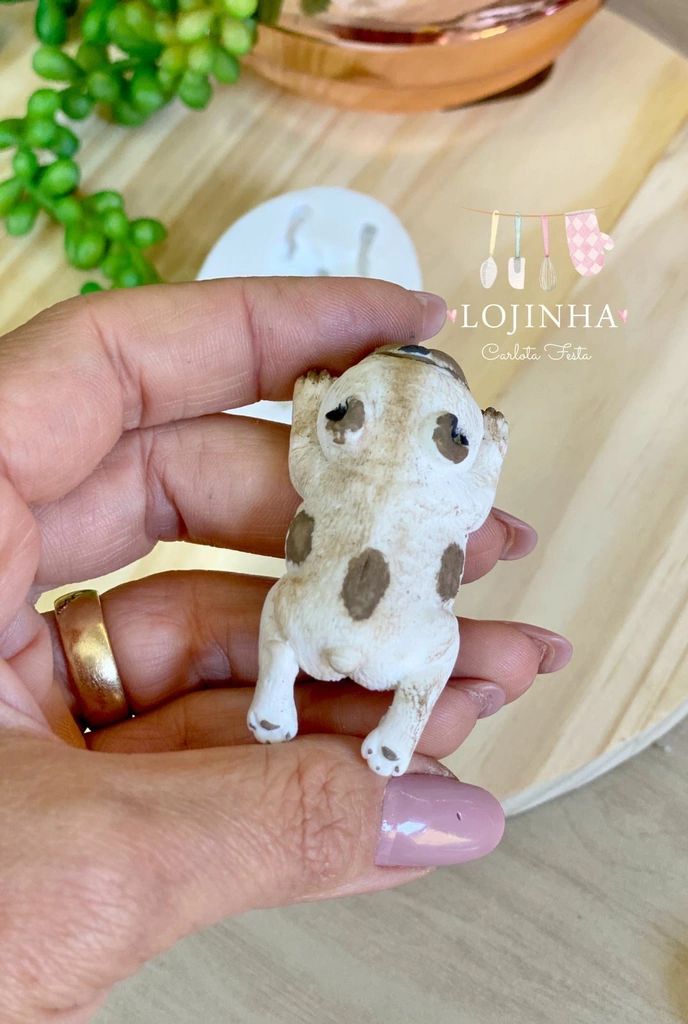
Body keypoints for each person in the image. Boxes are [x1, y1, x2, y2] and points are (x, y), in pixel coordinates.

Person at [0, 277, 571, 1022]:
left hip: (315, 620)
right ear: (454, 439)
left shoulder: (331, 457)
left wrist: (307, 412)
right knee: (439, 653)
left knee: (283, 612)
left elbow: (306, 467)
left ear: (347, 421)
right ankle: (400, 726)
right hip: (403, 639)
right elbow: (473, 504)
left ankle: (278, 687)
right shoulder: (456, 492)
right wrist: (491, 448)